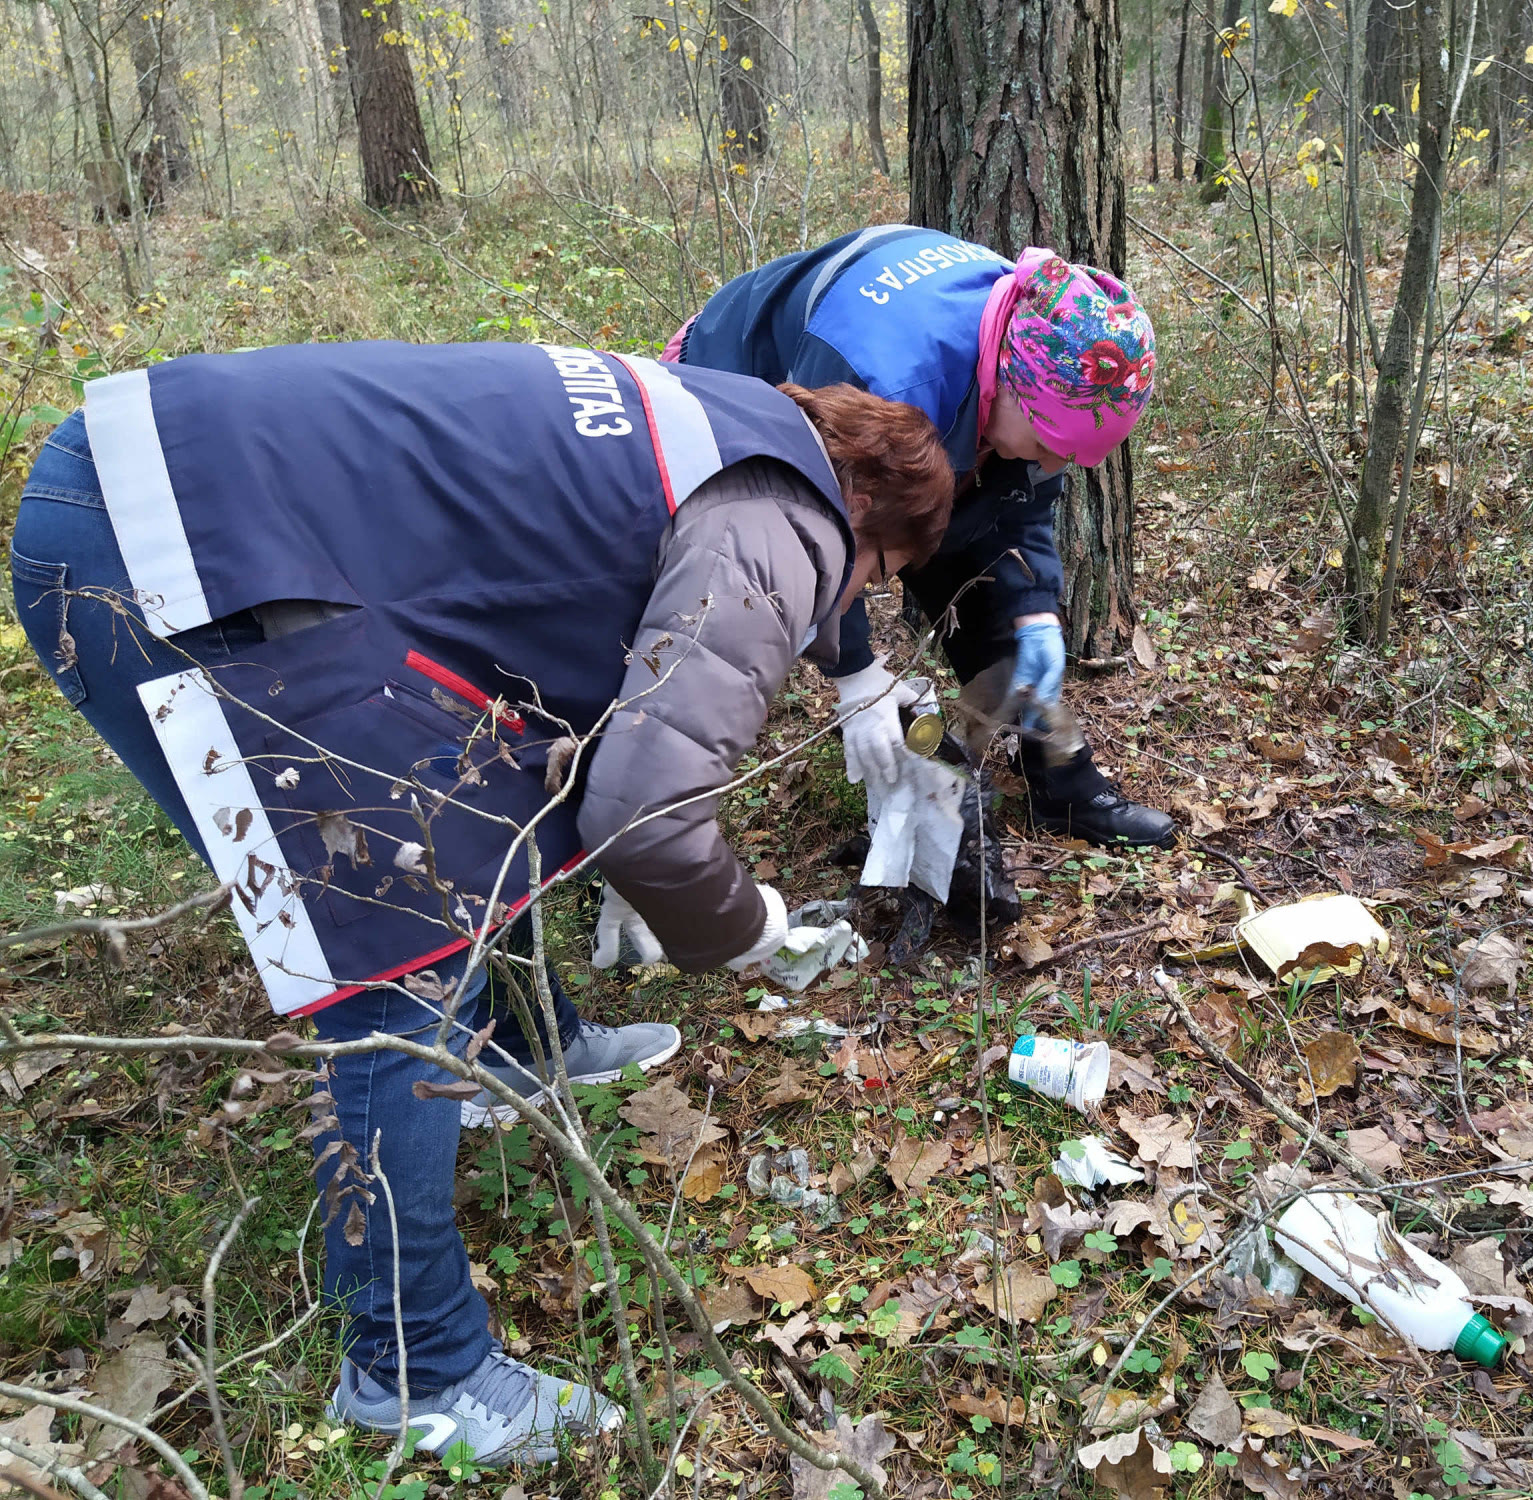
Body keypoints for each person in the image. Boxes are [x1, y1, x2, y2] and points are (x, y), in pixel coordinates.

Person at [8, 342, 953, 1467]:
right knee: (391, 947)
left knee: (463, 771)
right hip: (160, 538)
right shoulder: (790, 520)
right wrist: (741, 925)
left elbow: (536, 656)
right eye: (876, 579)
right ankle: (413, 1369)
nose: (849, 604)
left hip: (156, 476)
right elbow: (646, 808)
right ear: (869, 525)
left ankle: (520, 1052)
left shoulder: (732, 416)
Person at [671, 225, 1176, 848]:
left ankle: (1064, 786)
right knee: (703, 624)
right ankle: (636, 833)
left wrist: (1035, 608)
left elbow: (1023, 497)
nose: (1055, 461)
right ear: (1010, 385)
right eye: (1050, 443)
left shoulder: (1041, 335)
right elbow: (810, 531)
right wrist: (854, 671)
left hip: (922, 412)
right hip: (733, 394)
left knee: (994, 581)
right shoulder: (882, 375)